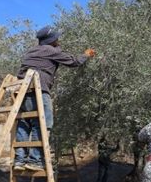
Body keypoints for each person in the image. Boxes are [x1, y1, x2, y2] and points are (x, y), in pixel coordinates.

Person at [14, 26, 95, 171]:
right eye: (56, 38)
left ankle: (19, 160)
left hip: (22, 92)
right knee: (43, 123)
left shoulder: (30, 51)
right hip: (39, 91)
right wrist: (86, 55)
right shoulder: (51, 51)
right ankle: (35, 161)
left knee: (24, 124)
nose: (58, 40)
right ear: (51, 40)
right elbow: (74, 62)